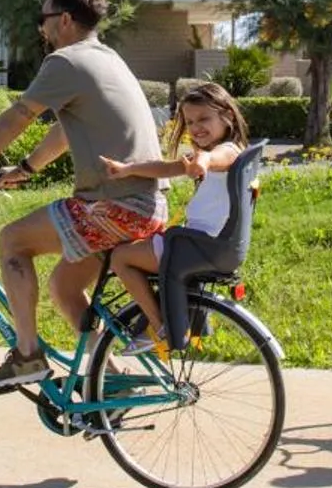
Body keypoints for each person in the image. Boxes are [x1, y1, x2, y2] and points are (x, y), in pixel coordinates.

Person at [0, 0, 165, 388]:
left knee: (12, 241)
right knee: (64, 285)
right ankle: (105, 378)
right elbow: (65, 129)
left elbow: (17, 117)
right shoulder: (107, 58)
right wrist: (25, 168)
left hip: (114, 207)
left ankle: (26, 357)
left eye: (43, 20)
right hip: (144, 206)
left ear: (63, 20)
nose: (40, 29)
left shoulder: (66, 61)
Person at [95, 81, 250, 354]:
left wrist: (203, 162)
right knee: (141, 250)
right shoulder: (223, 150)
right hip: (212, 246)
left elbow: (216, 158)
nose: (196, 127)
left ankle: (157, 326)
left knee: (120, 257)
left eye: (204, 119)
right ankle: (155, 319)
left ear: (226, 115)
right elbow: (167, 167)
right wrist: (128, 169)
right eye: (190, 121)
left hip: (199, 247)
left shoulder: (227, 151)